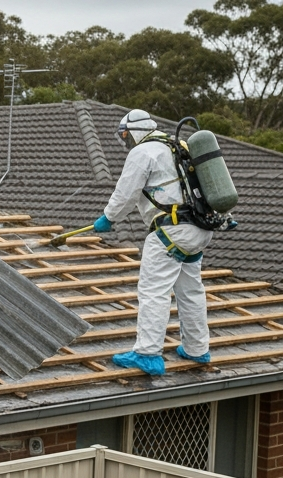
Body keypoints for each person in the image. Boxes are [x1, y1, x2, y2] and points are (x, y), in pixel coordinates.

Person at [100, 109, 213, 376]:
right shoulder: (178, 146)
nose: (125, 142)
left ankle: (148, 353)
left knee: (153, 291)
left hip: (170, 231)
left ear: (134, 131)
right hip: (199, 229)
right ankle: (197, 349)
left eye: (126, 136)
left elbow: (126, 193)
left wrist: (108, 217)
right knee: (191, 290)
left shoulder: (143, 152)